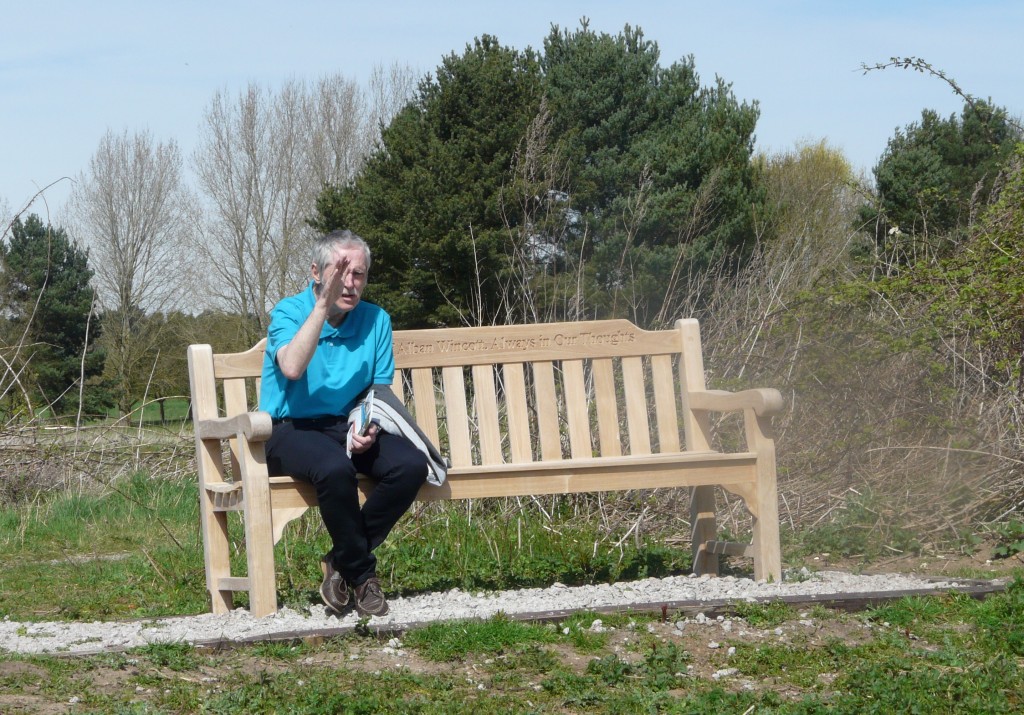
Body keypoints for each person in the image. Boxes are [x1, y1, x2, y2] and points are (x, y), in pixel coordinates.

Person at [259, 229, 428, 617]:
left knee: (410, 465)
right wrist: (321, 308)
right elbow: (292, 367)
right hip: (288, 430)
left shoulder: (376, 320)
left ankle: (340, 561)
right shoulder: (288, 311)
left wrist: (366, 426)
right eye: (342, 273)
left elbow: (377, 391)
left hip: (346, 425)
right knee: (336, 469)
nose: (351, 285)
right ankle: (364, 576)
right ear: (317, 272)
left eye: (360, 275)